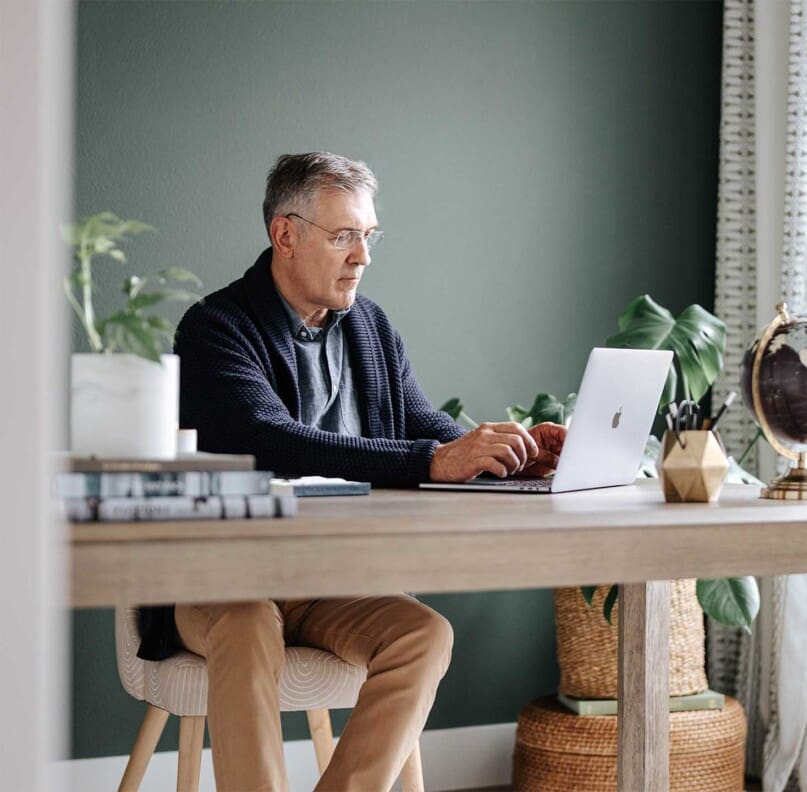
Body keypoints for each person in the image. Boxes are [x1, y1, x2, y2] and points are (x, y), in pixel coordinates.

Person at [135, 152, 566, 791]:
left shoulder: (369, 325)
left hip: (325, 580)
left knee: (423, 636)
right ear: (285, 235)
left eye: (368, 236)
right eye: (344, 237)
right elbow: (273, 440)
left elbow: (422, 423)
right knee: (250, 623)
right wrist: (432, 460)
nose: (362, 256)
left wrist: (513, 453)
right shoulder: (214, 329)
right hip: (219, 577)